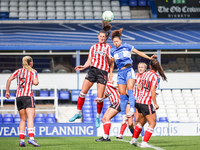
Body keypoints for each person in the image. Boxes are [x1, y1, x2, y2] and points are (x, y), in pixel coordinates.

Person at [69, 20, 112, 128]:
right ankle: (78, 113)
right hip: (92, 70)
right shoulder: (93, 47)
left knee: (99, 97)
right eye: (100, 36)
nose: (102, 38)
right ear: (98, 36)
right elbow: (89, 60)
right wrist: (84, 66)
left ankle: (97, 117)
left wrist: (110, 72)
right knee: (82, 92)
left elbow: (111, 62)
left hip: (103, 72)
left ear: (106, 38)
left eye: (104, 37)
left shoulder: (108, 48)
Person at [109, 28, 157, 124]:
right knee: (122, 95)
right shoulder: (112, 50)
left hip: (129, 70)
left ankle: (131, 108)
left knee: (130, 89)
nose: (115, 43)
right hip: (120, 73)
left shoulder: (126, 46)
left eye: (117, 41)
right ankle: (123, 116)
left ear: (120, 40)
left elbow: (138, 52)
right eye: (114, 42)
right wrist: (110, 73)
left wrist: (149, 58)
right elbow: (112, 63)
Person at [130, 59, 167, 148]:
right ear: (157, 68)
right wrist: (155, 103)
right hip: (146, 102)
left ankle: (134, 139)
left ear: (150, 67)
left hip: (138, 101)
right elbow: (152, 90)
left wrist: (146, 91)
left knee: (141, 122)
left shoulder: (143, 74)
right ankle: (144, 142)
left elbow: (139, 87)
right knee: (152, 123)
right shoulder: (155, 77)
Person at [5, 56, 40, 147]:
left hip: (19, 97)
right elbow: (35, 83)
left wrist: (7, 92)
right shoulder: (33, 71)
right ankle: (31, 139)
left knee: (22, 119)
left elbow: (8, 80)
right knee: (31, 118)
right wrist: (35, 75)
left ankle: (21, 140)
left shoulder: (18, 71)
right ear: (30, 63)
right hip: (28, 96)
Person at [117, 62, 147, 139]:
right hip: (131, 101)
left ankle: (142, 137)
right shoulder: (133, 76)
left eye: (142, 67)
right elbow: (126, 88)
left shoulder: (146, 77)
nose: (140, 68)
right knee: (130, 123)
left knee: (137, 120)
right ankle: (130, 135)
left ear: (145, 69)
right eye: (139, 67)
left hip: (140, 101)